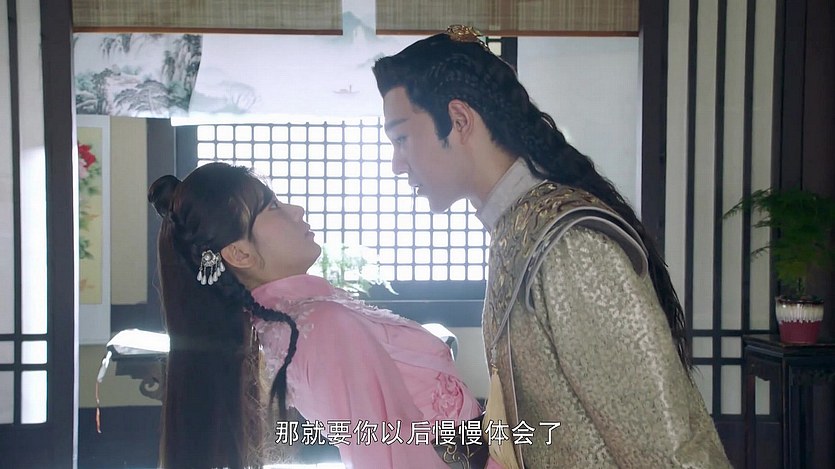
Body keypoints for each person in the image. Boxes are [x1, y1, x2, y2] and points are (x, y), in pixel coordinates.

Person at [372, 25, 732, 468]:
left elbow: (665, 450)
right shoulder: (517, 229)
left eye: (401, 138)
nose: (397, 164)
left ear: (459, 120)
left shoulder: (569, 246)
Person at [148, 162, 490, 469]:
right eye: (273, 207)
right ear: (240, 253)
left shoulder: (295, 319)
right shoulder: (323, 324)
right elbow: (388, 451)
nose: (296, 210)